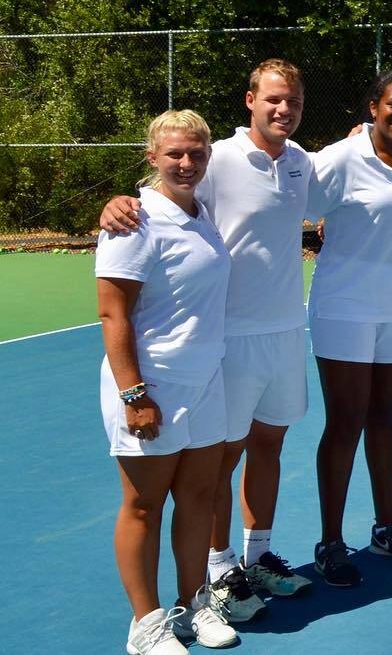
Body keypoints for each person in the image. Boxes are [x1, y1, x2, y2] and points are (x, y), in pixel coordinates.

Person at [99, 60, 316, 620]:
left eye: (292, 100)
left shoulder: (301, 162)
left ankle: (257, 557)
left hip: (284, 333)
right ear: (250, 100)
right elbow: (164, 190)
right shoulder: (216, 157)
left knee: (269, 447)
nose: (283, 109)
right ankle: (219, 571)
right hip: (228, 340)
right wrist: (118, 202)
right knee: (218, 465)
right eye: (273, 99)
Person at [97, 110, 237, 654]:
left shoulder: (201, 213)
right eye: (174, 153)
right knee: (144, 506)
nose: (186, 163)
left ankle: (194, 605)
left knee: (199, 497)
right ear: (152, 156)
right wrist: (135, 395)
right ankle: (146, 625)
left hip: (205, 383)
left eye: (196, 153)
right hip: (151, 387)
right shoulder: (134, 222)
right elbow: (113, 314)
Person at [308, 69, 392, 585]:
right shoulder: (340, 157)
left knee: (385, 419)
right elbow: (283, 191)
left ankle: (385, 527)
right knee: (346, 422)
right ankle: (331, 543)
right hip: (344, 310)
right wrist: (140, 196)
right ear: (373, 107)